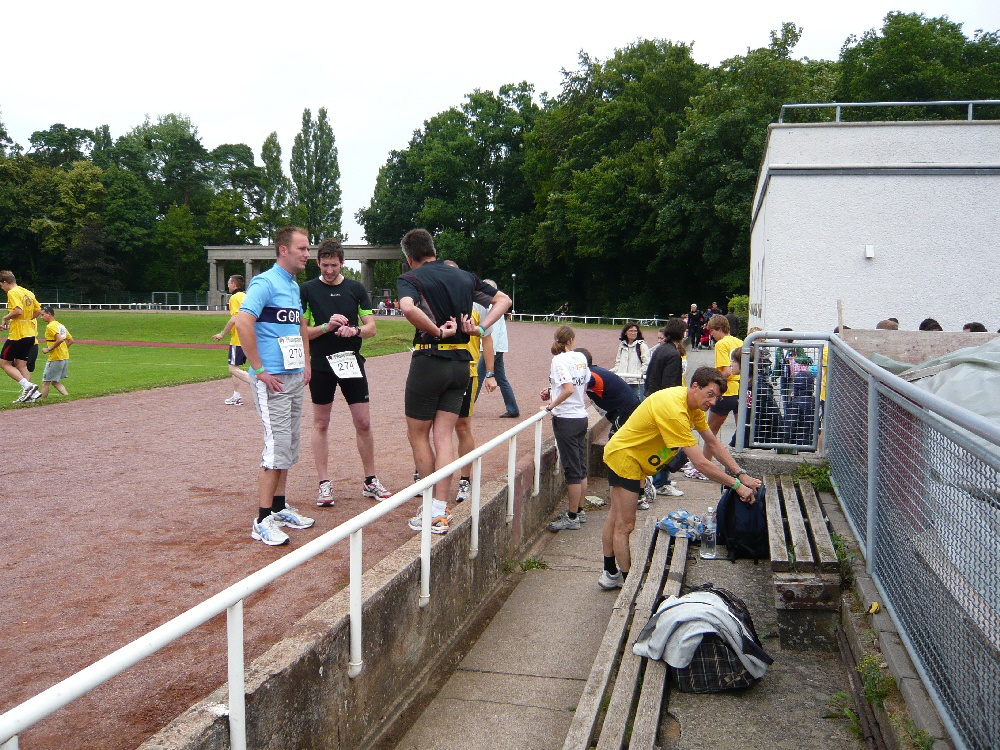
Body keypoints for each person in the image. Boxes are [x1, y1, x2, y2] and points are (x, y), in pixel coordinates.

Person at [598, 367, 762, 590]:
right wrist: (736, 485)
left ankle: (609, 573)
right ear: (695, 386)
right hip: (625, 459)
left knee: (616, 516)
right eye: (710, 394)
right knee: (625, 525)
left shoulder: (690, 403)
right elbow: (701, 463)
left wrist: (741, 474)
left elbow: (712, 442)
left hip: (630, 456)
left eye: (718, 398)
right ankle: (630, 585)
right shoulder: (675, 410)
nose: (713, 402)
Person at [397, 229, 510, 534]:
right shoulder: (462, 276)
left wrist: (435, 331)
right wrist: (481, 328)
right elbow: (504, 299)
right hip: (462, 362)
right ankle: (439, 511)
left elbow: (408, 308)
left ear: (409, 257)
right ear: (433, 249)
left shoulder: (411, 278)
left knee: (418, 435)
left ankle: (432, 506)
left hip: (429, 359)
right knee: (445, 436)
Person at [235, 227, 315, 547]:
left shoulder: (292, 286)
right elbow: (243, 322)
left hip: (294, 376)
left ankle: (280, 509)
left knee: (289, 444)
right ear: (283, 250)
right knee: (275, 445)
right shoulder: (265, 282)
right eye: (303, 248)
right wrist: (259, 369)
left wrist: (306, 362)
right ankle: (262, 519)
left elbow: (299, 326)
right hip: (273, 379)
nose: (307, 254)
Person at [300, 238, 391, 508]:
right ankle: (324, 483)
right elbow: (302, 332)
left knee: (363, 422)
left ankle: (370, 479)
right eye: (325, 265)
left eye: (334, 265)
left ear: (342, 263)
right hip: (320, 365)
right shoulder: (307, 290)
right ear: (318, 263)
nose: (329, 270)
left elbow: (372, 327)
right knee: (321, 423)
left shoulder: (355, 288)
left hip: (351, 361)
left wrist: (356, 330)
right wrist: (326, 327)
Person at [444, 260, 495, 504]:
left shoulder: (478, 304)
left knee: (462, 425)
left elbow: (487, 340)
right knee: (433, 426)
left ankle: (465, 479)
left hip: (467, 370)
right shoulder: (435, 300)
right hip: (438, 369)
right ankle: (431, 475)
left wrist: (492, 373)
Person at [540, 326, 591, 531]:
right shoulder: (580, 357)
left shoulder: (558, 360)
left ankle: (572, 517)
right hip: (581, 416)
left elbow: (568, 388)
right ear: (571, 339)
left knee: (572, 470)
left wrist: (551, 405)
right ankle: (580, 510)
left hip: (566, 418)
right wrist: (553, 391)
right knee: (580, 466)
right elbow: (581, 383)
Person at [643, 318, 689, 497]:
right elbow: (669, 385)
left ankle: (658, 477)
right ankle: (661, 481)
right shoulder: (673, 354)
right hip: (663, 405)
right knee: (666, 444)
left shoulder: (661, 349)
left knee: (658, 443)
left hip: (652, 399)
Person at [474, 278, 520, 418]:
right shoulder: (492, 307)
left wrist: (490, 353)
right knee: (501, 379)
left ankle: (467, 405)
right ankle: (512, 408)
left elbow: (493, 332)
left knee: (477, 376)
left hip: (492, 349)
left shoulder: (491, 308)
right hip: (497, 348)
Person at [0, 270, 42, 403]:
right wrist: (26, 320)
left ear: (5, 282)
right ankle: (31, 396)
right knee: (20, 364)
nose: (2, 288)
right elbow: (38, 310)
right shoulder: (27, 292)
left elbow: (18, 310)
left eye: (1, 285)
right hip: (30, 333)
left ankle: (27, 386)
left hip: (18, 334)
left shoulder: (12, 292)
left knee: (4, 362)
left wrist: (5, 318)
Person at [212, 274, 251, 405]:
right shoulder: (246, 296)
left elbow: (234, 318)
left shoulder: (235, 298)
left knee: (232, 369)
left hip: (238, 339)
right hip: (248, 337)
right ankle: (236, 395)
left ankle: (258, 385)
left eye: (229, 283)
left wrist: (222, 333)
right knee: (236, 367)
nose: (228, 285)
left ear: (234, 285)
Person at [705, 314, 744, 443]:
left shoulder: (721, 344)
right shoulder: (740, 342)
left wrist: (712, 385)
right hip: (741, 390)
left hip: (727, 391)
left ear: (720, 329)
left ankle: (703, 462)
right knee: (741, 431)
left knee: (710, 433)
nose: (711, 334)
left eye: (712, 330)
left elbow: (726, 371)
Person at [612, 321, 650, 400]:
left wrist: (638, 375)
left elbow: (646, 363)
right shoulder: (622, 346)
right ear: (625, 332)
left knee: (637, 405)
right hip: (623, 382)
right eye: (631, 331)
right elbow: (618, 363)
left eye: (635, 331)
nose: (633, 333)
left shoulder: (642, 346)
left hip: (636, 383)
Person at [38, 305, 71, 398]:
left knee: (45, 382)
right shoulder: (60, 325)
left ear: (49, 314)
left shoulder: (51, 326)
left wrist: (49, 349)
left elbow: (59, 339)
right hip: (64, 356)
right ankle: (67, 397)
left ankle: (43, 402)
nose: (41, 317)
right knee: (55, 382)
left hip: (55, 357)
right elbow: (71, 340)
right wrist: (63, 349)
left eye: (43, 315)